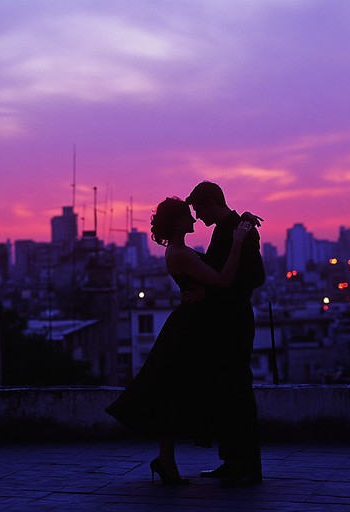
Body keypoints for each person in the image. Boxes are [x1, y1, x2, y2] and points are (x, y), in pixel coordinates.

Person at [105, 197, 253, 485]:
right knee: (177, 391)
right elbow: (223, 280)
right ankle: (168, 460)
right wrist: (238, 240)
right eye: (188, 215)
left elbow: (210, 278)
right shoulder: (181, 254)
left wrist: (238, 220)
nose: (194, 220)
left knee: (174, 391)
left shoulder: (181, 251)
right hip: (189, 328)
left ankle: (166, 459)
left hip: (189, 324)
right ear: (177, 222)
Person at [185, 181, 265, 487]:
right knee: (227, 394)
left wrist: (210, 295)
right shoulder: (225, 229)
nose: (198, 216)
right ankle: (232, 462)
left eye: (199, 208)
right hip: (223, 323)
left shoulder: (241, 230)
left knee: (239, 394)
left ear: (212, 203)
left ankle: (248, 465)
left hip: (234, 322)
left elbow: (254, 277)